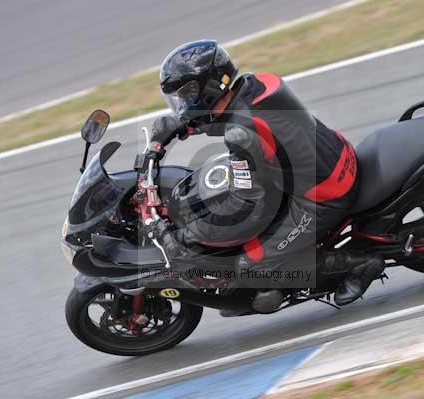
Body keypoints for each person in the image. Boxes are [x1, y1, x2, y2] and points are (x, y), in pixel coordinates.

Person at [146, 40, 385, 314]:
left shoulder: (241, 133)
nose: (181, 104)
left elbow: (245, 206)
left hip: (321, 196)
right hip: (333, 155)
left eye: (185, 96)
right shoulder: (256, 83)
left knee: (252, 265)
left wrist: (188, 235)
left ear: (207, 88)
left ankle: (360, 264)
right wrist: (185, 124)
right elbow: (240, 120)